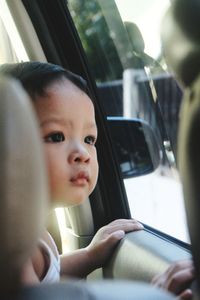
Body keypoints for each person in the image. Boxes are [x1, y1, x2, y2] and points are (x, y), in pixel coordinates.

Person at [0, 61, 144, 284]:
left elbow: (48, 275)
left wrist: (89, 256)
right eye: (57, 136)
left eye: (89, 139)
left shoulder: (29, 237)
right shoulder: (11, 247)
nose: (83, 154)